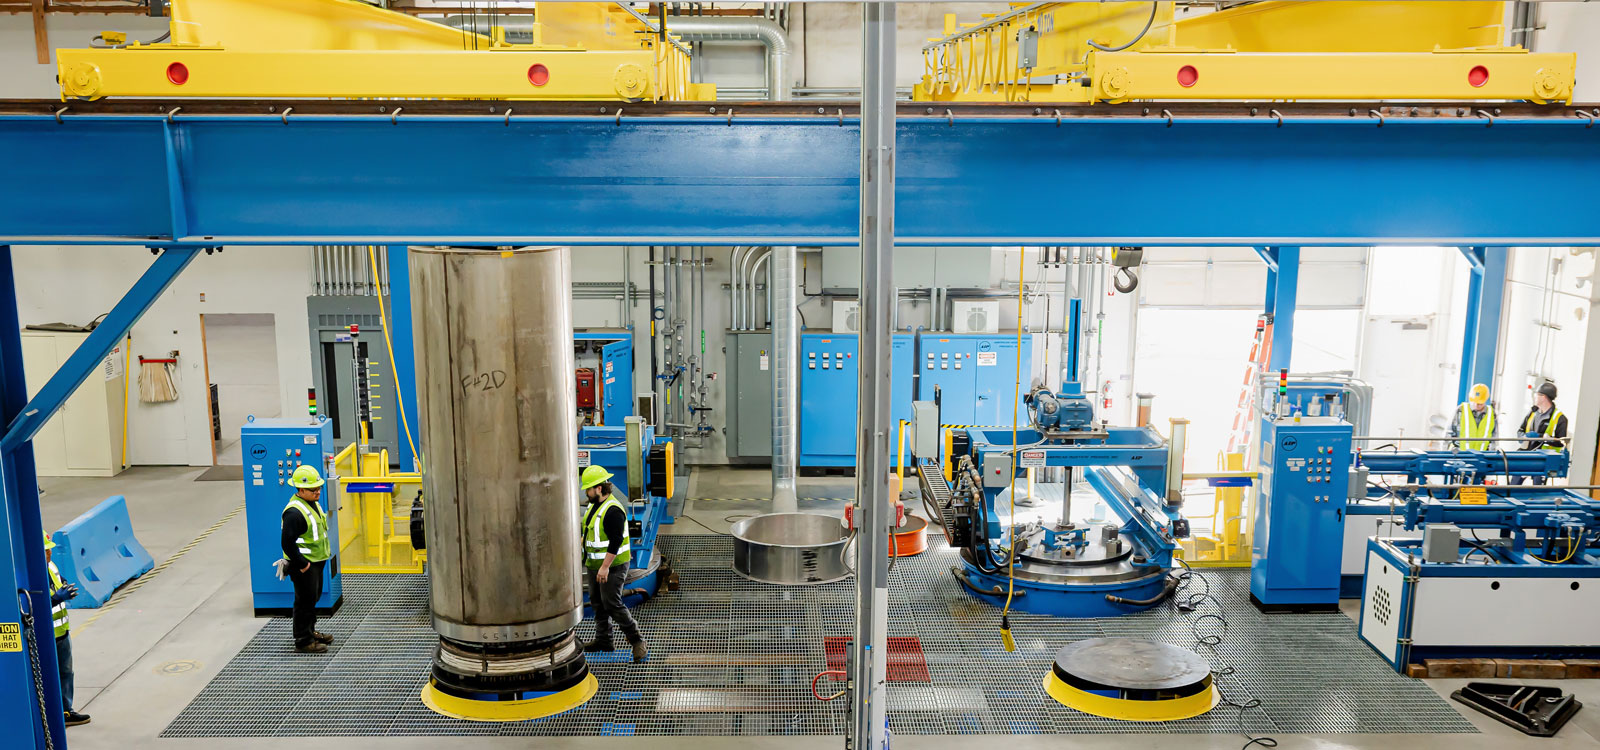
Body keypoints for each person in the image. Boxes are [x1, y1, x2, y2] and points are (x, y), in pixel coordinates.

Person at [579, 465, 647, 663]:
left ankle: (637, 641)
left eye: (589, 488)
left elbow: (616, 541)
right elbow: (590, 530)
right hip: (594, 564)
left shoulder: (613, 510)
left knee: (612, 603)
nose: (586, 492)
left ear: (599, 489)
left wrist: (605, 567)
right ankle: (604, 640)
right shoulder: (594, 505)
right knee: (598, 603)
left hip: (613, 565)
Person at [281, 465, 335, 653]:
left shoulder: (312, 503)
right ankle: (303, 641)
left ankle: (310, 631)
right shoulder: (294, 513)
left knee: (312, 598)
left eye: (319, 487)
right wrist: (303, 564)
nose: (317, 491)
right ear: (301, 489)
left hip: (316, 561)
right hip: (303, 564)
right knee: (304, 602)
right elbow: (287, 544)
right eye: (313, 489)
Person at [44, 532, 90, 726]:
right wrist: (56, 598)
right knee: (49, 675)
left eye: (50, 549)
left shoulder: (51, 566)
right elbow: (33, 606)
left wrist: (64, 585)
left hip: (62, 632)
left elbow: (59, 581)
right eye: (45, 550)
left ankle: (66, 711)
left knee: (66, 672)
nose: (49, 553)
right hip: (46, 636)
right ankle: (51, 714)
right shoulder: (30, 575)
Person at [1516, 381, 1568, 486]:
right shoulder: (1532, 412)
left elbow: (1561, 443)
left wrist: (1540, 437)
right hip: (1526, 455)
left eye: (1536, 394)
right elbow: (1520, 430)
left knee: (1537, 491)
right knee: (1512, 485)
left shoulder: (1559, 418)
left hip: (1544, 461)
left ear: (1543, 397)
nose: (1534, 397)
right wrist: (1524, 437)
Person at [1448, 383, 1497, 451]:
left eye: (1480, 403)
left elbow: (1495, 437)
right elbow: (1448, 433)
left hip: (1482, 456)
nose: (1476, 405)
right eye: (1474, 402)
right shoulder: (1460, 410)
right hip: (1460, 455)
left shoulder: (1491, 414)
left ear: (1486, 400)